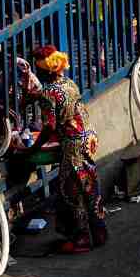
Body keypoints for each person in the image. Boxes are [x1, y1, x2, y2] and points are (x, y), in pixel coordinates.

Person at [18, 46, 107, 254]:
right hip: (87, 136)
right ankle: (99, 232)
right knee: (90, 186)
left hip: (74, 144)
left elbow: (49, 126)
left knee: (72, 191)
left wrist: (32, 150)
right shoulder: (68, 82)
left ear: (45, 70)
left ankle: (81, 239)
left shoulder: (49, 93)